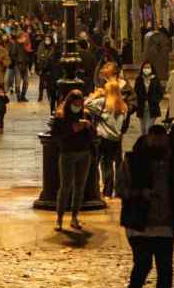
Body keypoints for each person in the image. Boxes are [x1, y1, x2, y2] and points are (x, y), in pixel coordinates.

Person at [116, 125, 174, 288]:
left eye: (163, 139)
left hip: (165, 224)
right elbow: (121, 188)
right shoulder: (132, 161)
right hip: (140, 223)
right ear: (149, 139)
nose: (160, 143)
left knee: (165, 269)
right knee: (143, 264)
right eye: (156, 139)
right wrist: (140, 193)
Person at [53, 90, 94, 231]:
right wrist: (72, 129)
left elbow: (93, 136)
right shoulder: (61, 116)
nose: (77, 106)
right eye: (75, 103)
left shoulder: (86, 114)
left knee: (79, 187)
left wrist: (88, 126)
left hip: (84, 153)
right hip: (68, 154)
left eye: (80, 103)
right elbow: (56, 135)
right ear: (69, 103)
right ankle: (59, 218)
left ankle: (75, 217)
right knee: (65, 187)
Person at [90, 80, 129, 199]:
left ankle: (94, 189)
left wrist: (96, 95)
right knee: (108, 165)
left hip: (102, 137)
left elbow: (87, 104)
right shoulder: (123, 106)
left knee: (94, 163)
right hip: (115, 139)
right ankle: (108, 192)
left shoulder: (103, 102)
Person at [135, 61, 164, 134]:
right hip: (142, 107)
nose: (146, 69)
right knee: (143, 128)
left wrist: (156, 100)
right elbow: (136, 92)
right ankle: (144, 143)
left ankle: (149, 142)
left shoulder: (155, 79)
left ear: (151, 69)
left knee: (149, 127)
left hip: (152, 107)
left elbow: (160, 93)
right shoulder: (139, 79)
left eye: (148, 67)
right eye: (145, 67)